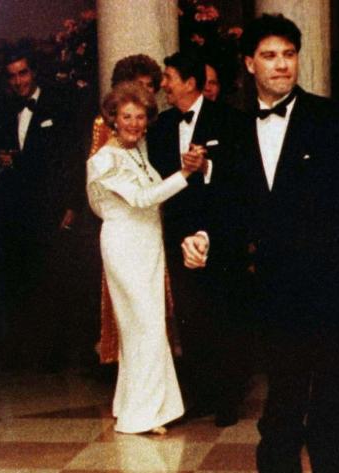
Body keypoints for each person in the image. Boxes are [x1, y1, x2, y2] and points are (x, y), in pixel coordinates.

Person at [181, 13, 339, 473]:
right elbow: (224, 209)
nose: (282, 63)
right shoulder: (230, 131)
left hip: (332, 288)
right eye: (269, 55)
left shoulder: (330, 117)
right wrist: (201, 236)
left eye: (289, 53)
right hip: (272, 294)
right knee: (282, 408)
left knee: (332, 404)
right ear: (250, 63)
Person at [86, 82, 205, 435]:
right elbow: (142, 199)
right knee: (145, 326)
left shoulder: (136, 152)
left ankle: (132, 407)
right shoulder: (104, 159)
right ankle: (146, 415)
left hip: (147, 244)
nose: (135, 124)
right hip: (125, 245)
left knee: (143, 327)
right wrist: (185, 174)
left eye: (140, 117)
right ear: (113, 118)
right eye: (127, 117)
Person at [148, 50, 250, 427]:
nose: (164, 85)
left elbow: (243, 175)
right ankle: (202, 393)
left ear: (189, 82)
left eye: (169, 77)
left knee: (224, 313)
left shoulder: (231, 120)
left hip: (221, 233)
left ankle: (229, 397)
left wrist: (206, 166)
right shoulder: (161, 127)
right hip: (178, 233)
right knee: (190, 317)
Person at [0, 47, 83, 370]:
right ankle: (29, 355)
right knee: (22, 278)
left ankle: (58, 355)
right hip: (17, 211)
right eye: (12, 75)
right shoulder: (2, 110)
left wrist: (73, 203)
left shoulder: (60, 105)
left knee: (54, 278)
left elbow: (73, 157)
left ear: (34, 73)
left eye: (23, 73)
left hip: (52, 209)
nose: (18, 81)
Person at [90, 54, 167, 366]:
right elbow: (107, 192)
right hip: (126, 229)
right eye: (139, 86)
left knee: (153, 318)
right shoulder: (107, 137)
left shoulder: (147, 128)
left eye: (150, 87)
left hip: (151, 231)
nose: (144, 94)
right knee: (136, 317)